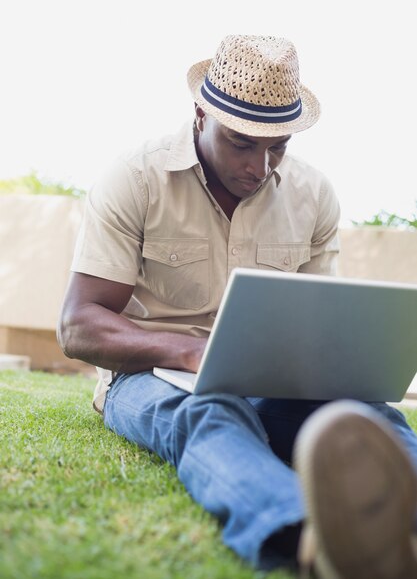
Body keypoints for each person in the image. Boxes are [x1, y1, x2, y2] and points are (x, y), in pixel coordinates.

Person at [57, 35, 417, 577]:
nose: (259, 166)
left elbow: (319, 320)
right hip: (148, 377)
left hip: (273, 379)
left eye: (278, 147)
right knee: (209, 412)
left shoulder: (313, 194)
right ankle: (309, 541)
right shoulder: (135, 177)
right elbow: (78, 324)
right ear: (200, 113)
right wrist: (187, 351)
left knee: (364, 416)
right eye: (241, 143)